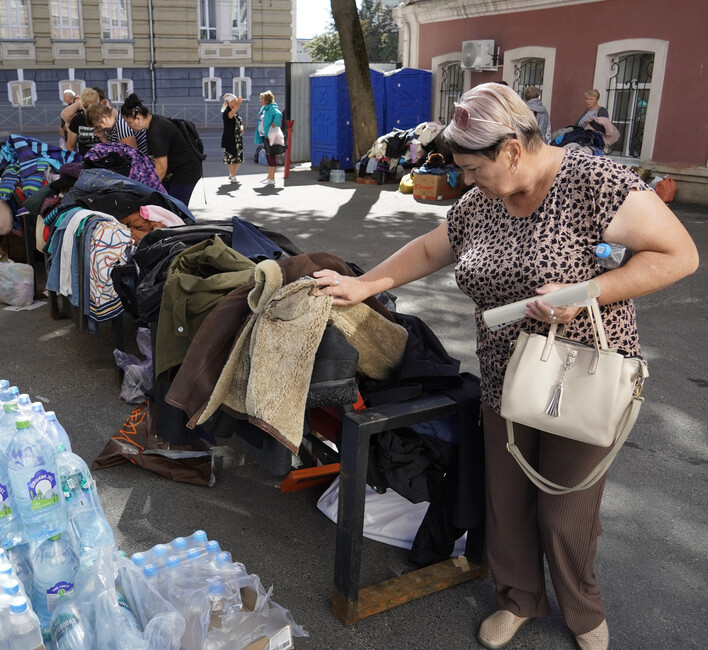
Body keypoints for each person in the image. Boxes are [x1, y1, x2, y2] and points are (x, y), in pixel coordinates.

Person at [313, 82, 697, 650]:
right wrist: (363, 283)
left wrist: (587, 290)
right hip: (506, 375)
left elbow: (679, 255)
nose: (466, 181)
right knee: (508, 499)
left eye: (472, 168)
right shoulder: (483, 200)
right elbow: (430, 249)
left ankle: (583, 610)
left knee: (567, 507)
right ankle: (517, 598)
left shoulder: (596, 182)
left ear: (512, 150)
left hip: (583, 374)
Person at [120, 93, 203, 206]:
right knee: (166, 207)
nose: (129, 126)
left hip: (185, 172)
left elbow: (161, 169)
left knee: (175, 210)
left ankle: (184, 222)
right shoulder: (154, 122)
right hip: (176, 172)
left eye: (129, 122)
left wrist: (146, 191)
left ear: (137, 117)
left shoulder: (156, 131)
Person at [62, 87, 105, 155]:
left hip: (104, 159)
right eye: (85, 106)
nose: (89, 110)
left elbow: (112, 144)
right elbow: (70, 146)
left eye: (92, 106)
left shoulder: (105, 118)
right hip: (84, 160)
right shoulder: (77, 120)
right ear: (81, 105)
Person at [254, 90, 284, 186]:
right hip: (264, 134)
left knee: (270, 156)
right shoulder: (265, 108)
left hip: (269, 135)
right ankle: (269, 177)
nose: (260, 100)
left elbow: (279, 114)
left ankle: (272, 178)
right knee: (268, 155)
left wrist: (274, 123)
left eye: (261, 98)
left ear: (266, 100)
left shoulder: (271, 108)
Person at [220, 93, 244, 184]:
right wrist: (238, 105)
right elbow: (230, 115)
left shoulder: (235, 111)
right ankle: (233, 176)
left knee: (238, 158)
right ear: (230, 102)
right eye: (234, 101)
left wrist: (241, 127)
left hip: (238, 138)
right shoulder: (227, 111)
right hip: (230, 138)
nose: (236, 102)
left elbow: (239, 120)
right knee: (231, 157)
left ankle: (232, 173)